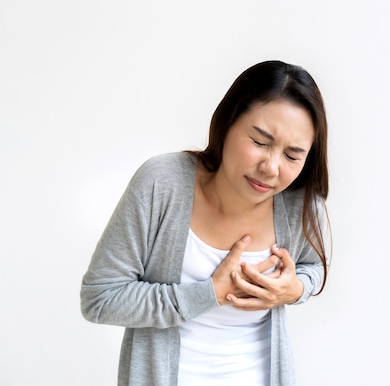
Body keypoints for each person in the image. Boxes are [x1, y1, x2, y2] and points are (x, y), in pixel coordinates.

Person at [80, 60, 331, 386]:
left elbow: (314, 268)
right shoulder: (162, 183)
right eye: (259, 141)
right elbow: (100, 300)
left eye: (293, 155)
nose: (271, 167)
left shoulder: (301, 204)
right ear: (226, 124)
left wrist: (293, 289)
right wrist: (208, 293)